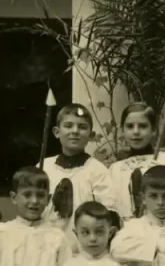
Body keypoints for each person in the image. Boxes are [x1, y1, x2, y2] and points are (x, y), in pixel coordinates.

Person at [41, 104, 112, 251]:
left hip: (82, 249)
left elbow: (108, 210)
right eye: (68, 126)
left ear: (91, 136)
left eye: (82, 127)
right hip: (46, 247)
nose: (75, 131)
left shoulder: (97, 171)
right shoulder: (44, 167)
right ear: (56, 132)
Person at [104, 103, 165, 222]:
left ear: (153, 130)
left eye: (143, 126)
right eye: (130, 126)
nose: (136, 132)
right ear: (122, 130)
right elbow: (110, 206)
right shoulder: (116, 169)